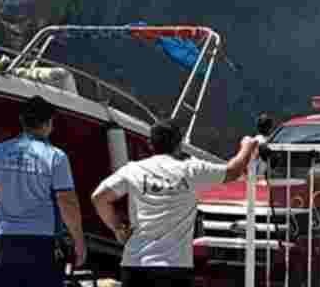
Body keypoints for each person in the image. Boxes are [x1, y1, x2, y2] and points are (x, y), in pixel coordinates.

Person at [91, 119, 259, 287]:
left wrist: (118, 228)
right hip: (174, 268)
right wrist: (247, 146)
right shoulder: (192, 169)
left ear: (150, 144)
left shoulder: (133, 169)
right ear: (179, 144)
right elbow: (233, 171)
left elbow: (99, 198)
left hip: (135, 264)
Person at [0, 95, 86, 287]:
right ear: (48, 124)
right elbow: (67, 202)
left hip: (5, 242)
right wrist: (79, 240)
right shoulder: (55, 157)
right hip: (43, 243)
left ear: (22, 121)